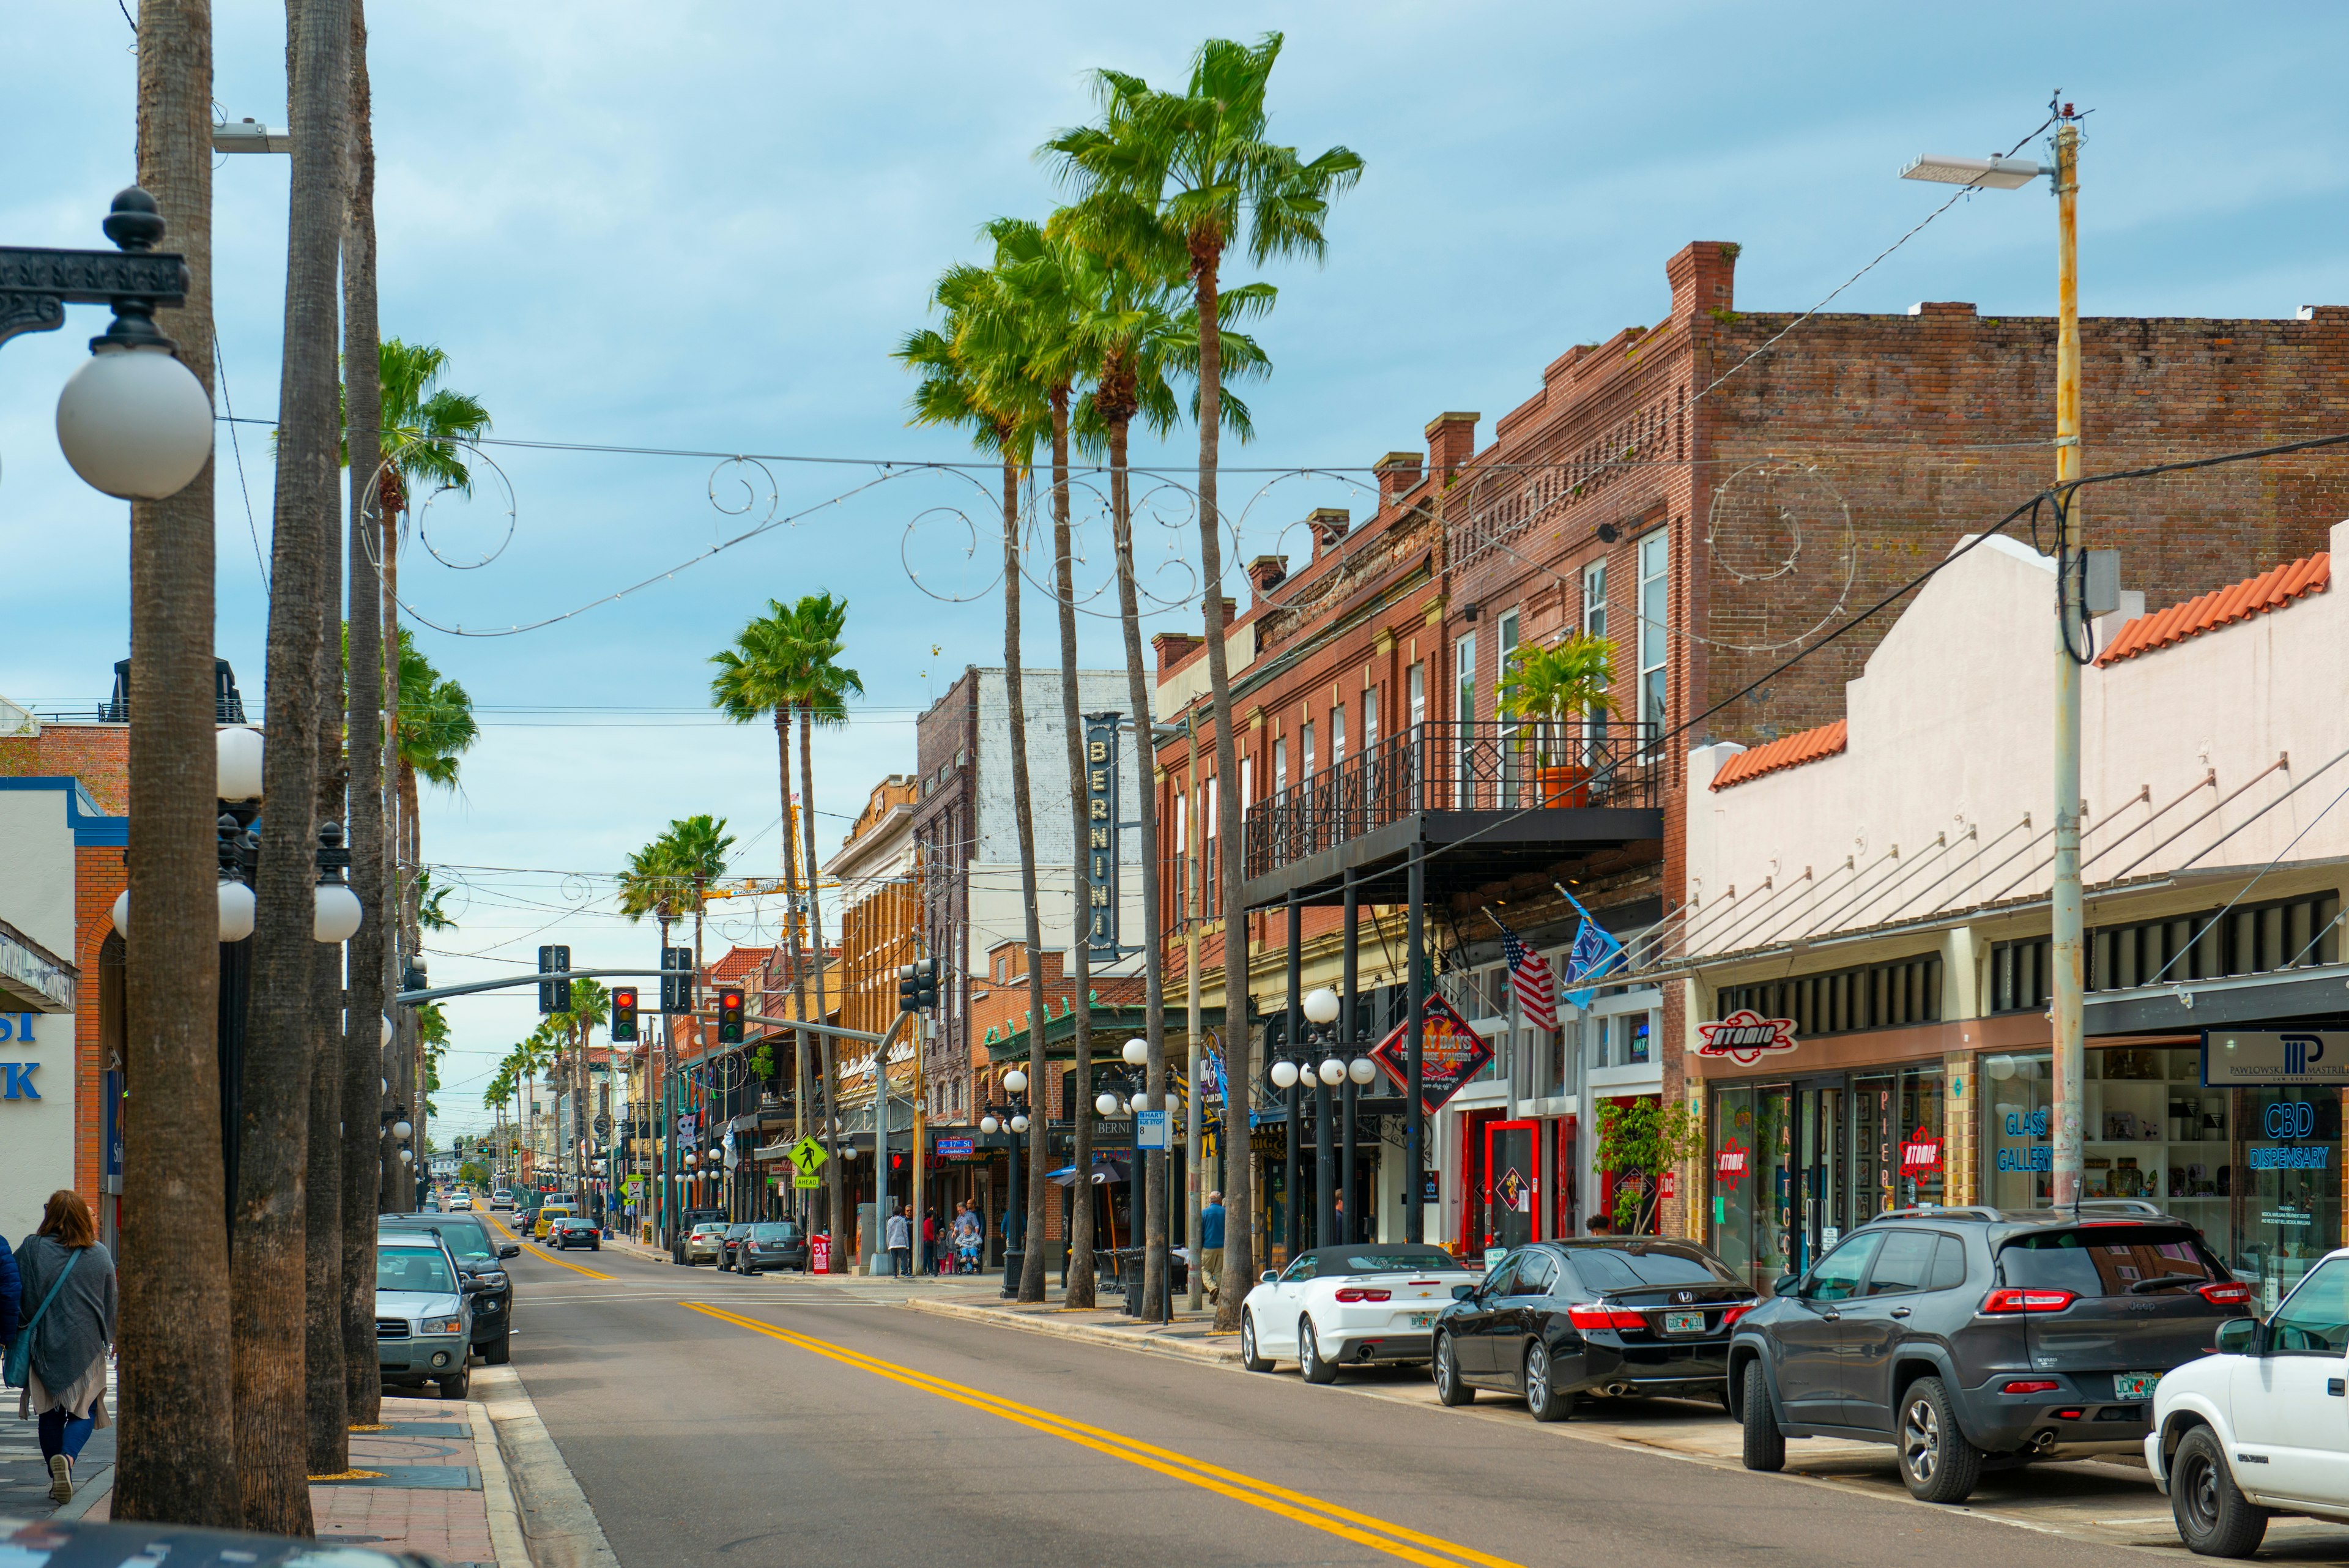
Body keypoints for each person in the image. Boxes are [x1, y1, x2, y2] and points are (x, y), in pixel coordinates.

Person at [11, 1191, 117, 1506]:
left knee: (51, 1414)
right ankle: (68, 1462)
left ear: (50, 1215)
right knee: (86, 1410)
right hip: (86, 1348)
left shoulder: (31, 1249)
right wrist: (113, 1338)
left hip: (44, 1346)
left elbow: (16, 1291)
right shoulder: (98, 1253)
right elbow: (111, 1300)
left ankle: (56, 1472)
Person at [1198, 1190, 1225, 1304]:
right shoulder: (1225, 1212)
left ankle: (1213, 1288)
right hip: (1222, 1247)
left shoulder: (1204, 1213)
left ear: (1210, 1200)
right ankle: (1219, 1299)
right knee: (1219, 1272)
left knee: (1204, 1269)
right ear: (1220, 1200)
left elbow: (1201, 1231)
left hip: (1208, 1246)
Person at [884, 1202, 911, 1278]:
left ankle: (894, 1274)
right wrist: (907, 1245)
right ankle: (906, 1273)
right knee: (904, 1258)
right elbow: (905, 1233)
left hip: (892, 1243)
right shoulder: (902, 1221)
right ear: (900, 1213)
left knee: (894, 1259)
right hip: (901, 1242)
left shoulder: (889, 1221)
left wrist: (888, 1244)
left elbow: (888, 1234)